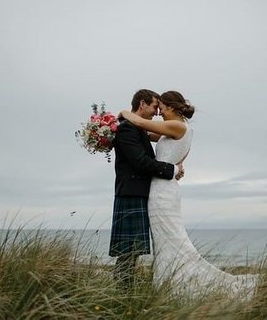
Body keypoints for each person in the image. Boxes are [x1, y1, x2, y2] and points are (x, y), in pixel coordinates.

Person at [119, 91, 257, 299]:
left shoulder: (177, 127)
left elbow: (138, 122)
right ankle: (169, 284)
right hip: (164, 189)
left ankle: (175, 285)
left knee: (171, 240)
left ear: (172, 108)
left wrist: (120, 113)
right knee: (167, 240)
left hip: (163, 193)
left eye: (162, 108)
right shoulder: (173, 131)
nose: (159, 113)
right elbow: (145, 135)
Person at [109, 89, 184, 290]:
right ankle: (123, 293)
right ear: (142, 104)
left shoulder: (137, 128)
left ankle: (125, 291)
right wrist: (172, 169)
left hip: (139, 192)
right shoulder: (127, 129)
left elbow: (162, 139)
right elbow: (141, 162)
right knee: (128, 252)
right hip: (131, 193)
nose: (156, 112)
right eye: (153, 106)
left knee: (132, 252)